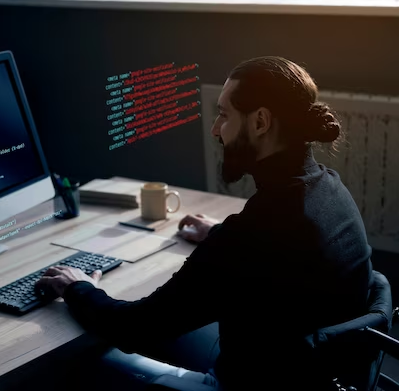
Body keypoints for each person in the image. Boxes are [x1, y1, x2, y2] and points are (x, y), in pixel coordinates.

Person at [36, 56, 373, 390]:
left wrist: (78, 287)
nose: (215, 129)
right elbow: (277, 259)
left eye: (224, 115)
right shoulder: (329, 189)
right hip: (313, 376)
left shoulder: (252, 234)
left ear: (260, 122)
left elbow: (135, 328)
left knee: (84, 360)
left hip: (243, 384)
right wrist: (217, 234)